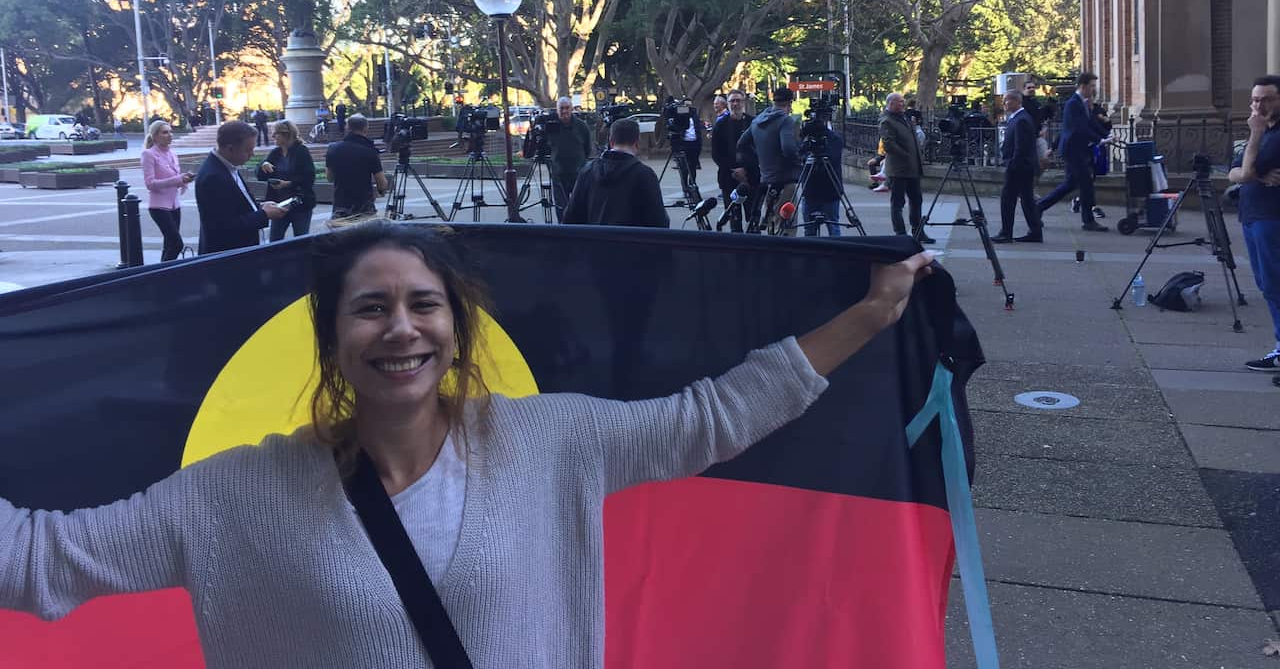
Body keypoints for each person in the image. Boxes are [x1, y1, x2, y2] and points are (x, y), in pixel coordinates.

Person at [0, 219, 933, 666]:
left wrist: (869, 315)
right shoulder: (233, 496)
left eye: (423, 304)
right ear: (332, 339)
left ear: (456, 327)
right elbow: (38, 560)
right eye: (371, 308)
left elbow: (712, 418)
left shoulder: (550, 441)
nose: (400, 328)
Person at [1229, 75, 1280, 372]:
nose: (1259, 106)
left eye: (1267, 99)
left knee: (1274, 284)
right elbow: (1232, 171)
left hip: (1271, 218)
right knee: (1266, 283)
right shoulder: (1264, 132)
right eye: (1255, 100)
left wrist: (1256, 134)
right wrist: (1257, 174)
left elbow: (1245, 172)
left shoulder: (1271, 135)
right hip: (1252, 215)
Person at [195, 121, 286, 255]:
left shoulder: (227, 166)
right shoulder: (213, 177)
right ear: (230, 149)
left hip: (239, 252)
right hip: (228, 257)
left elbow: (233, 206)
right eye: (248, 150)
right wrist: (264, 214)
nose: (252, 154)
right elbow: (224, 226)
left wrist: (258, 206)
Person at [562, 118, 669, 228]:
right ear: (637, 143)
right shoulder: (645, 175)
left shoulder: (587, 171)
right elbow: (659, 222)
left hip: (594, 238)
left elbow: (570, 218)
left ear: (611, 142)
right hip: (631, 238)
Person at [1037, 72, 1110, 232]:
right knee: (1085, 184)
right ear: (1083, 86)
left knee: (1071, 184)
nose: (1094, 89)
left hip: (1079, 150)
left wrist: (1106, 135)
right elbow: (1078, 128)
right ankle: (1088, 221)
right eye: (1092, 86)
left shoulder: (1082, 103)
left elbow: (1090, 123)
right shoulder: (1073, 104)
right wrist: (1099, 140)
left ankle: (1039, 207)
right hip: (1073, 150)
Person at [737, 87, 801, 235]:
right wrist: (799, 160)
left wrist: (758, 158)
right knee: (786, 224)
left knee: (771, 222)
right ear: (789, 103)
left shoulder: (757, 120)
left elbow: (741, 143)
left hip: (767, 179)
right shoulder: (785, 120)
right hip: (786, 179)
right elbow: (788, 149)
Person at [879, 93, 935, 243]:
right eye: (900, 102)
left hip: (912, 168)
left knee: (916, 200)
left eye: (903, 102)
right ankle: (900, 234)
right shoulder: (887, 121)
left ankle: (918, 231)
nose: (903, 104)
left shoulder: (905, 118)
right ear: (891, 103)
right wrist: (906, 155)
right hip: (898, 169)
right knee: (898, 203)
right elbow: (889, 144)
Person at [991, 91, 1042, 244]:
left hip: (1019, 167)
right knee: (1027, 200)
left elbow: (1021, 147)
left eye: (1006, 101)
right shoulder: (1019, 118)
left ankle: (1006, 232)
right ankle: (1035, 232)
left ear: (1015, 101)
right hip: (1023, 166)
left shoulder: (1021, 120)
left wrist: (1012, 164)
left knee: (1008, 199)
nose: (1004, 104)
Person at [140, 119, 194, 261]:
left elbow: (174, 178)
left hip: (175, 205)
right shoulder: (148, 154)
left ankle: (163, 271)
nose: (170, 135)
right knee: (177, 244)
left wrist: (184, 180)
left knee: (169, 245)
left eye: (170, 132)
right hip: (159, 206)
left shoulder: (172, 154)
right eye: (165, 132)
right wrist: (178, 179)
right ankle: (165, 271)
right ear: (155, 136)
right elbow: (150, 184)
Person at [258, 120, 317, 241]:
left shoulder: (301, 151)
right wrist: (263, 165)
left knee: (301, 241)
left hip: (300, 204)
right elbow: (261, 176)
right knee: (274, 240)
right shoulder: (276, 152)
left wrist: (288, 184)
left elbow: (309, 177)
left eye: (276, 133)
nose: (272, 136)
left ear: (286, 135)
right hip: (279, 204)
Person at [325, 114, 388, 219]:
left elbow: (329, 178)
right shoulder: (370, 151)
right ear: (366, 128)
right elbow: (382, 183)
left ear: (347, 127)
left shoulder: (333, 148)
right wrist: (381, 191)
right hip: (364, 208)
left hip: (341, 207)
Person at [545, 97, 594, 219]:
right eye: (561, 108)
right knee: (561, 207)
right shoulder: (551, 127)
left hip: (579, 174)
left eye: (567, 108)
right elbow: (545, 148)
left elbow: (588, 148)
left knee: (581, 205)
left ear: (572, 109)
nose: (564, 111)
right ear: (557, 110)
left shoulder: (581, 126)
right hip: (559, 174)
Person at [712, 90, 753, 232]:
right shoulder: (720, 125)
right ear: (728, 104)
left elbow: (758, 149)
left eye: (738, 100)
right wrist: (733, 169)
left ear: (743, 102)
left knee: (752, 217)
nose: (735, 104)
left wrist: (745, 170)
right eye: (732, 101)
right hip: (728, 177)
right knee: (734, 218)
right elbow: (716, 153)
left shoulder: (752, 122)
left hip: (750, 178)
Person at [800, 115, 844, 237]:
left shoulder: (834, 140)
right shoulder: (807, 139)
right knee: (809, 229)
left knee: (833, 226)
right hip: (810, 190)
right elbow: (799, 154)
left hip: (830, 190)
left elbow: (832, 159)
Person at [669, 97, 703, 195]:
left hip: (694, 143)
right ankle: (685, 187)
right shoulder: (680, 115)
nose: (688, 107)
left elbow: (697, 127)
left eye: (689, 105)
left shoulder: (694, 114)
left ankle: (693, 185)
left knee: (693, 166)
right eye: (686, 105)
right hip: (684, 143)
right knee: (684, 167)